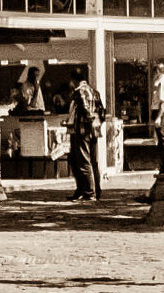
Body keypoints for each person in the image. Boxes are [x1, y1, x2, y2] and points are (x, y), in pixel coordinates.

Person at [65, 67, 102, 202]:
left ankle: (88, 192)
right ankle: (95, 190)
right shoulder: (94, 91)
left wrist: (88, 120)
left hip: (82, 130)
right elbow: (102, 111)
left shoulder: (79, 92)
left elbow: (85, 109)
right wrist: (96, 124)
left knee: (82, 161)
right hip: (94, 131)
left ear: (74, 80)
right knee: (92, 160)